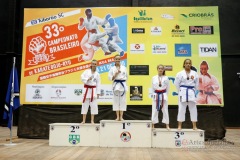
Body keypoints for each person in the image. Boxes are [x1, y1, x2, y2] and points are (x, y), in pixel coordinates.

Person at [174, 59, 199, 130]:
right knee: (181, 109)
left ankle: (194, 125)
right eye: (186, 63)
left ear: (191, 65)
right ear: (184, 64)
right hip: (183, 92)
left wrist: (194, 90)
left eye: (189, 63)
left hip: (191, 91)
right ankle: (179, 125)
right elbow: (176, 83)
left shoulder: (194, 73)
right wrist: (180, 91)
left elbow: (197, 84)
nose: (188, 64)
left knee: (193, 109)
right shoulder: (180, 73)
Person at [108, 54, 128, 121]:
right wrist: (116, 74)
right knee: (116, 100)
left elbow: (126, 77)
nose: (117, 60)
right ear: (114, 60)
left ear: (120, 60)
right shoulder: (112, 68)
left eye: (119, 59)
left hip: (122, 84)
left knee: (123, 101)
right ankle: (117, 117)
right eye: (116, 59)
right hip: (116, 84)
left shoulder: (124, 68)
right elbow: (110, 78)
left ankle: (121, 117)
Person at [81, 59, 101, 124]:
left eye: (95, 64)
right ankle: (83, 120)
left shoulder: (97, 74)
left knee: (93, 105)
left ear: (96, 65)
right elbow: (81, 77)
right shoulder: (86, 72)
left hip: (93, 90)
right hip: (87, 89)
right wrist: (87, 79)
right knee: (84, 105)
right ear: (91, 64)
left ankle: (92, 120)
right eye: (93, 64)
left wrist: (98, 93)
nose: (94, 65)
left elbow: (98, 84)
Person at [151, 64, 170, 130]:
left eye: (162, 68)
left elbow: (168, 88)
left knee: (165, 110)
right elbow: (152, 88)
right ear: (157, 69)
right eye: (159, 68)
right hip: (156, 94)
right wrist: (154, 95)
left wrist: (165, 95)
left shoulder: (166, 78)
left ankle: (167, 125)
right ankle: (153, 124)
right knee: (154, 110)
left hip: (163, 94)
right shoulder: (154, 78)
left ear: (163, 70)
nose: (160, 69)